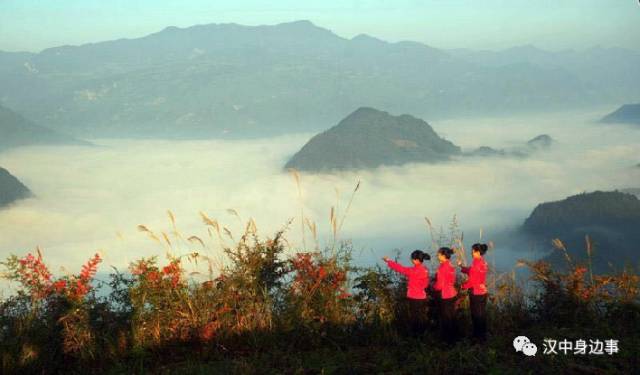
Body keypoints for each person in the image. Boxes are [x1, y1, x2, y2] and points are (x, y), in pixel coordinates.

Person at [383, 250, 430, 336]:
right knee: (421, 317)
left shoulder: (414, 271)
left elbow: (401, 269)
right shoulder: (425, 269)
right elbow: (426, 283)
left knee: (415, 318)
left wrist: (389, 261)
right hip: (422, 296)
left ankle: (416, 337)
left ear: (415, 260)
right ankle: (423, 335)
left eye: (412, 258)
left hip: (414, 297)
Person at [458, 243, 489, 341]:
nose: (471, 253)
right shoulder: (482, 262)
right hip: (482, 291)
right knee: (481, 314)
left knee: (476, 316)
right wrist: (462, 267)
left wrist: (462, 286)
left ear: (478, 252)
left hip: (476, 293)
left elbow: (472, 281)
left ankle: (478, 338)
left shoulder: (477, 263)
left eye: (473, 251)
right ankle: (482, 335)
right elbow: (471, 271)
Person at [434, 247, 458, 344]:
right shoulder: (451, 266)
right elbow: (453, 280)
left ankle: (448, 341)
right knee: (451, 317)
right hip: (452, 293)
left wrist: (432, 286)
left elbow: (439, 285)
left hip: (445, 295)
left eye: (439, 254)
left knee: (446, 318)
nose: (437, 256)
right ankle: (454, 338)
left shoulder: (442, 268)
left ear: (443, 256)